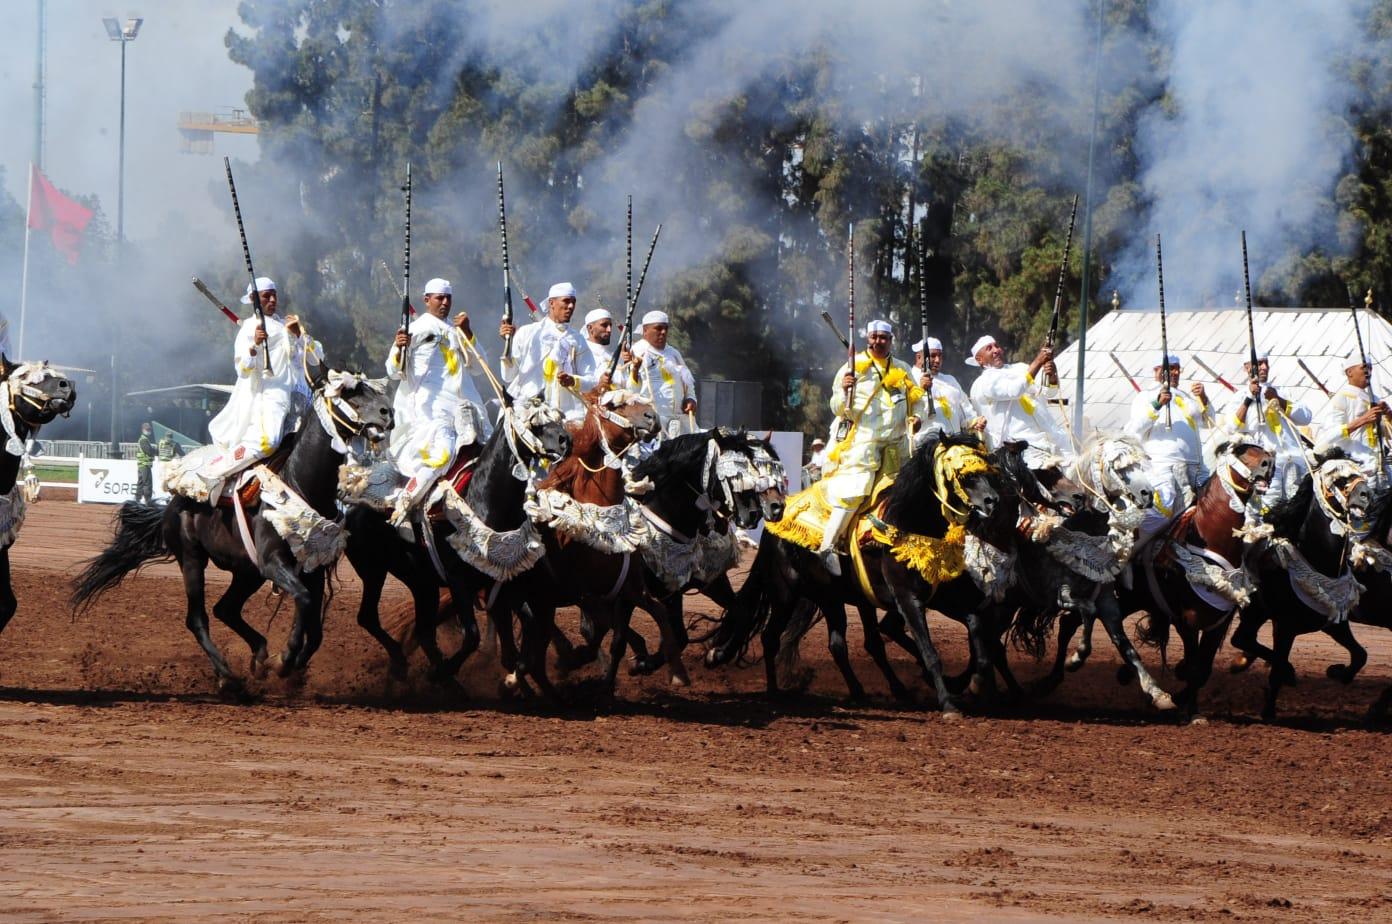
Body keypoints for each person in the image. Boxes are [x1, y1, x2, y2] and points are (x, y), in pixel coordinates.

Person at [193, 277, 324, 500]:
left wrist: (299, 335)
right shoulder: (249, 328)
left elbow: (317, 358)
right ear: (254, 299)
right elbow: (242, 368)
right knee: (269, 441)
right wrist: (254, 344)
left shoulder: (288, 324)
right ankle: (216, 472)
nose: (273, 299)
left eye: (274, 294)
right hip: (270, 396)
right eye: (266, 296)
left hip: (302, 396)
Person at [816, 320, 923, 575]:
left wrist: (917, 418)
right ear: (868, 339)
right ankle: (828, 547)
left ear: (891, 340)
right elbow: (836, 408)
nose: (878, 341)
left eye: (883, 337)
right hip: (863, 444)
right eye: (874, 337)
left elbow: (916, 401)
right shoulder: (851, 368)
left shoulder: (904, 368)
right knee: (855, 491)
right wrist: (844, 390)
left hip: (898, 445)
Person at [385, 277, 491, 524]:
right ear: (426, 300)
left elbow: (478, 367)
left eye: (448, 298)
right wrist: (400, 347)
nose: (445, 303)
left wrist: (468, 333)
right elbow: (393, 370)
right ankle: (405, 503)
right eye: (439, 298)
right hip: (430, 413)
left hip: (466, 409)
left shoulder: (457, 331)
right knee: (441, 455)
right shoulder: (413, 329)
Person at [1126, 352, 1214, 546]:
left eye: (1176, 369)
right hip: (1163, 466)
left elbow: (1210, 423)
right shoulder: (1146, 396)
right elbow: (1132, 430)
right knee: (1162, 510)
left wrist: (1204, 399)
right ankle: (1133, 549)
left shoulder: (1186, 397)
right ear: (1157, 371)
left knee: (1216, 506)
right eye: (1169, 369)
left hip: (1197, 467)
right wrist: (1157, 405)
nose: (1174, 373)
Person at [967, 334, 1071, 469]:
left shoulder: (1020, 367)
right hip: (1020, 448)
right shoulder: (983, 383)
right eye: (989, 348)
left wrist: (1052, 377)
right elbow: (1015, 390)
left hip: (1053, 438)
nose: (995, 350)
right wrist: (1038, 361)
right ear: (980, 360)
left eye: (996, 346)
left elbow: (1048, 393)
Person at [1222, 350, 1311, 500]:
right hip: (1267, 465)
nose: (1264, 367)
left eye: (1266, 363)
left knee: (1299, 508)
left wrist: (1278, 399)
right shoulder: (1240, 397)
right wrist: (1249, 398)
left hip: (1295, 459)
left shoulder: (1282, 391)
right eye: (1259, 363)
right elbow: (1232, 427)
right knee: (1271, 508)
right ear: (1248, 368)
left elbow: (1306, 417)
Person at [499, 282, 583, 416]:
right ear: (551, 303)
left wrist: (574, 380)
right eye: (566, 301)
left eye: (573, 302)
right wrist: (508, 343)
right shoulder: (526, 332)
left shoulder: (578, 339)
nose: (571, 306)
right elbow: (508, 376)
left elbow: (592, 379)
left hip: (568, 414)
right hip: (528, 410)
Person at [1315, 351, 1391, 482]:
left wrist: (1389, 415)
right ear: (1349, 372)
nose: (1369, 372)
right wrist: (1363, 420)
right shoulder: (1341, 397)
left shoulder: (1375, 399)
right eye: (1364, 367)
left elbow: (1387, 434)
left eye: (1370, 368)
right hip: (1354, 467)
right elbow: (1329, 435)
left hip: (1380, 464)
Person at [628, 310, 697, 438]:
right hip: (652, 421)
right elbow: (631, 391)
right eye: (658, 328)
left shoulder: (673, 353)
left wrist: (691, 398)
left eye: (665, 328)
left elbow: (687, 381)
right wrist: (635, 369)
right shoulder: (637, 351)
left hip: (679, 420)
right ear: (645, 331)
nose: (663, 332)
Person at [913, 336, 984, 442]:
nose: (937, 360)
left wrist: (975, 421)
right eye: (932, 356)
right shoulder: (910, 377)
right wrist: (920, 389)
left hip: (954, 443)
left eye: (940, 356)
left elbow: (965, 408)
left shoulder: (950, 380)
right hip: (925, 445)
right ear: (919, 357)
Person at [568, 307, 625, 409]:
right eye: (604, 325)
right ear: (590, 328)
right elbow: (577, 389)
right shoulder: (580, 352)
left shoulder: (612, 356)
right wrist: (599, 385)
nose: (609, 330)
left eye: (610, 325)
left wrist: (632, 367)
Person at [134, 422, 154, 504]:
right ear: (143, 430)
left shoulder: (144, 439)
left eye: (149, 429)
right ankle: (148, 501)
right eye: (147, 429)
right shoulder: (144, 440)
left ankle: (137, 500)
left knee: (141, 483)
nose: (149, 431)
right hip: (144, 465)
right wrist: (155, 451)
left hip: (142, 465)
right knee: (147, 483)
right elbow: (148, 451)